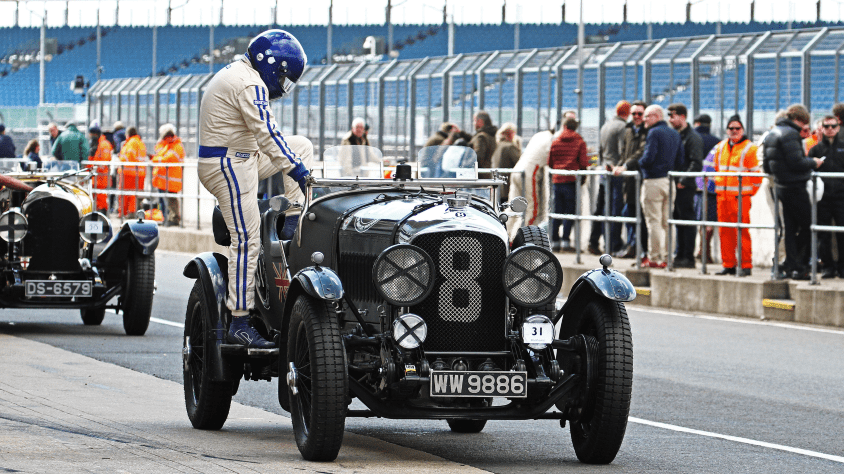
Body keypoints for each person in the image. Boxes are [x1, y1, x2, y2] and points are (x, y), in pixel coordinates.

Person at [197, 29, 312, 349]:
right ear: (272, 65)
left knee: (300, 145)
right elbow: (269, 136)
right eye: (284, 77)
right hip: (228, 164)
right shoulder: (250, 83)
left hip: (239, 158)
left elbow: (271, 142)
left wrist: (295, 165)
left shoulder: (242, 73)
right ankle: (239, 320)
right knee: (246, 238)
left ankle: (290, 222)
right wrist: (300, 174)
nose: (283, 86)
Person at [615, 105, 684, 267]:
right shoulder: (674, 133)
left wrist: (641, 167)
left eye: (647, 116)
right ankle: (667, 258)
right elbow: (680, 159)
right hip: (669, 180)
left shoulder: (653, 133)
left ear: (656, 116)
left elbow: (648, 157)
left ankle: (654, 258)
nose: (644, 120)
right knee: (667, 222)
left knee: (653, 221)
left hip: (653, 181)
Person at [763, 104, 824, 280]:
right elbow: (797, 162)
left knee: (789, 229)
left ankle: (790, 265)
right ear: (799, 119)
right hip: (795, 186)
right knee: (811, 225)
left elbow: (767, 166)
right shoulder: (790, 134)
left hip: (780, 186)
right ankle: (796, 265)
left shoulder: (772, 133)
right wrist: (814, 162)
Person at [712, 115, 762, 276]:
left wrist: (747, 193)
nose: (734, 131)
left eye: (737, 128)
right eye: (731, 128)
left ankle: (745, 265)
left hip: (740, 198)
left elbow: (757, 177)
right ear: (726, 130)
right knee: (725, 232)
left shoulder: (750, 148)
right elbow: (716, 169)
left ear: (743, 130)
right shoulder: (720, 147)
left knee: (742, 232)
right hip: (722, 197)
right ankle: (728, 264)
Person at [589, 100, 630, 255]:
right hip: (615, 172)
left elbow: (600, 150)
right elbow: (622, 150)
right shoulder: (622, 127)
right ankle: (614, 244)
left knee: (600, 208)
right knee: (615, 209)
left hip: (604, 170)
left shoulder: (606, 126)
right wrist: (620, 166)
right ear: (627, 112)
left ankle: (593, 241)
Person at [667, 103, 703, 269]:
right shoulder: (677, 135)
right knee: (678, 221)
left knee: (687, 221)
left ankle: (688, 256)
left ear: (682, 116)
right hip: (676, 184)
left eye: (673, 115)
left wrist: (683, 180)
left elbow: (696, 163)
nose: (670, 119)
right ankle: (680, 254)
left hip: (684, 187)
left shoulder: (692, 137)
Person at [808, 115, 844, 279]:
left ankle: (842, 267)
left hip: (841, 197)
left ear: (838, 128)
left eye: (833, 126)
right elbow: (808, 171)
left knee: (841, 233)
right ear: (821, 128)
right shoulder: (815, 150)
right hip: (822, 198)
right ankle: (828, 266)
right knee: (823, 234)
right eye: (826, 126)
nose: (830, 129)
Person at [613, 101, 649, 259]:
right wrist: (619, 166)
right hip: (628, 180)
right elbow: (624, 152)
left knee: (638, 214)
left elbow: (641, 151)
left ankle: (638, 247)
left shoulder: (648, 131)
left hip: (640, 178)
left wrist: (626, 166)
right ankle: (632, 246)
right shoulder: (628, 129)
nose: (636, 117)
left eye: (640, 114)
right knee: (628, 212)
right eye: (634, 113)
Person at [548, 116, 589, 252]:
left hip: (557, 180)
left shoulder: (555, 141)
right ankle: (566, 241)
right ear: (575, 127)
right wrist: (582, 179)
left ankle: (554, 241)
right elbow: (583, 163)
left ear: (564, 126)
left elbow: (550, 162)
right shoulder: (579, 141)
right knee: (570, 212)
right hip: (571, 180)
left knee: (556, 211)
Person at [694, 114, 721, 263]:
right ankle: (704, 251)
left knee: (698, 221)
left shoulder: (691, 137)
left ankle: (702, 251)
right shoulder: (717, 141)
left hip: (694, 185)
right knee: (709, 220)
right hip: (712, 186)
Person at [152, 123, 185, 227]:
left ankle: (173, 219)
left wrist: (155, 159)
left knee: (171, 201)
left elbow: (167, 159)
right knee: (163, 201)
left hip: (171, 180)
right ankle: (166, 218)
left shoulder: (177, 146)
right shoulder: (167, 146)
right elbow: (158, 152)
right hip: (163, 180)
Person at [118, 127, 148, 216]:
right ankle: (132, 212)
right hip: (140, 173)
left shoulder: (131, 143)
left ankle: (125, 213)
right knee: (135, 195)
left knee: (125, 194)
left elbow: (129, 156)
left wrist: (120, 158)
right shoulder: (141, 143)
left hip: (129, 172)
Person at [491, 122, 521, 201]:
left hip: (497, 187)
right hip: (507, 187)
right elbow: (520, 162)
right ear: (511, 133)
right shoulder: (510, 147)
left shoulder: (497, 145)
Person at [88, 126, 113, 212]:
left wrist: (94, 166)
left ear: (95, 134)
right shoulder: (98, 144)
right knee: (95, 200)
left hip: (101, 178)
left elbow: (104, 163)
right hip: (96, 178)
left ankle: (103, 216)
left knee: (101, 200)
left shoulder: (104, 144)